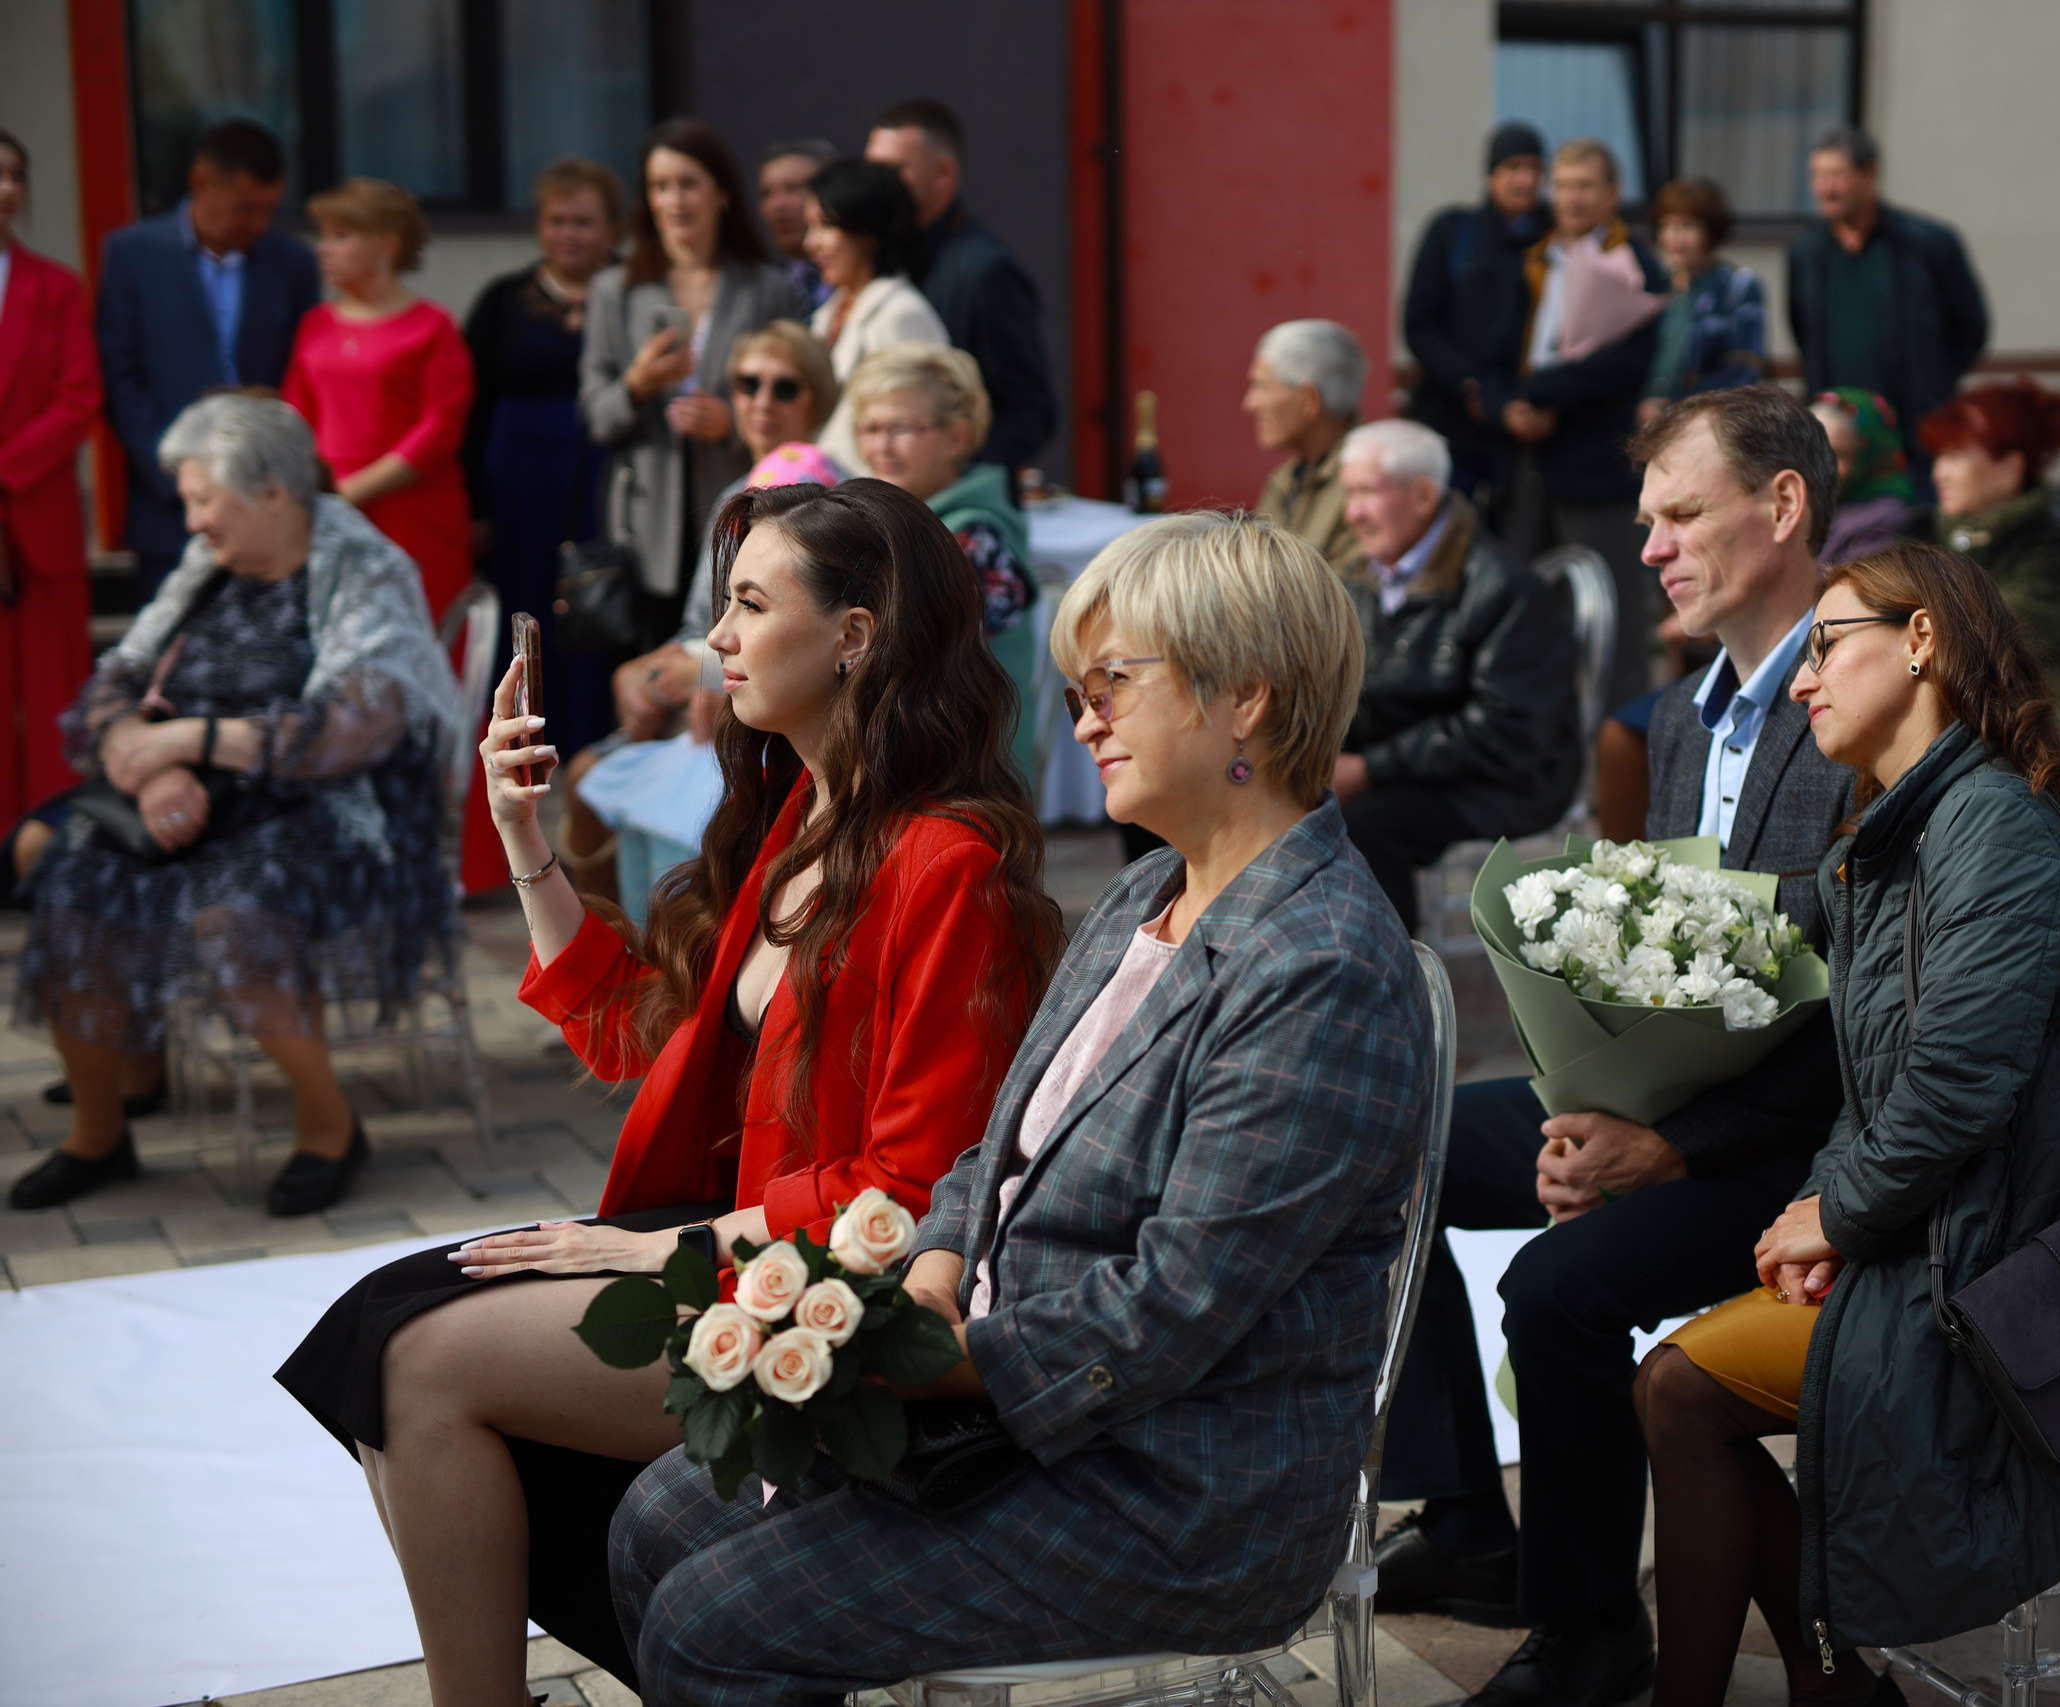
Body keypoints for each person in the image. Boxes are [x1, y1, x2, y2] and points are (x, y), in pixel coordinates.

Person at [607, 509, 1433, 1703]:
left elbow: (1170, 1309)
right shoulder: (1146, 893)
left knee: (712, 1624)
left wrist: (919, 1362)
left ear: (1246, 700)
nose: (1083, 721)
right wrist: (934, 1270)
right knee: (656, 1520)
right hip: (1028, 1418)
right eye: (1078, 691)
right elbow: (991, 1149)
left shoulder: (1318, 964)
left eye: (1112, 685)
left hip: (1175, 1494)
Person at [276, 478, 1063, 1700]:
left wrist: (668, 1249)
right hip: (751, 1243)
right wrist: (524, 838)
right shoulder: (806, 812)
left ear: (854, 636)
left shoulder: (944, 862)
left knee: (412, 1362)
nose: (718, 638)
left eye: (750, 604)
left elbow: (915, 1194)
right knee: (374, 1330)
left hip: (845, 1296)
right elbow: (650, 1034)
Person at [1376, 387, 1855, 1707]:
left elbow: (1870, 1017)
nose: (1650, 547)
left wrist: (1665, 1146)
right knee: (1389, 1147)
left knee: (1556, 1286)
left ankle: (1588, 1625)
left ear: (1783, 505)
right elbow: (1668, 961)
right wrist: (1592, 1099)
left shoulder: (1856, 700)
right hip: (1678, 1102)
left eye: (1681, 515)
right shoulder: (1680, 715)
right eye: (1647, 519)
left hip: (1804, 1148)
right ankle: (1467, 1519)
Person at [1636, 539, 2060, 1707]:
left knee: (1677, 1389)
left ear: (1920, 640)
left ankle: (1811, 1687)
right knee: (1677, 1386)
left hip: (2015, 1265)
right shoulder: (1895, 835)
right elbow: (1871, 1089)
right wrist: (1826, 1216)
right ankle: (1835, 1687)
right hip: (1939, 1229)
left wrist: (1838, 1215)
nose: (1800, 681)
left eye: (1824, 647)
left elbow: (1957, 1089)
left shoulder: (1990, 826)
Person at [9, 396, 454, 1218]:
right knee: (70, 879)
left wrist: (189, 742)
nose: (192, 522)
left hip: (334, 806)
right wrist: (146, 763)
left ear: (274, 492)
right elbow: (115, 677)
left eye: (204, 500)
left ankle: (329, 1127)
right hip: (197, 793)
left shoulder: (365, 569)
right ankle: (99, 1133)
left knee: (234, 911)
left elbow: (351, 731)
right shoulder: (206, 565)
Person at [562, 322, 845, 909]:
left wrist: (696, 674)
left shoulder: (832, 497)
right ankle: (621, 944)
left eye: (784, 387)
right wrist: (640, 673)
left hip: (769, 714)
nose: (762, 402)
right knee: (585, 779)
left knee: (610, 788)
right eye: (748, 384)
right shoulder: (736, 494)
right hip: (711, 691)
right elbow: (702, 625)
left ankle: (648, 944)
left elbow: (809, 633)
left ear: (817, 399)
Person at [1331, 418, 1578, 932]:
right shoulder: (1363, 575)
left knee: (1364, 823)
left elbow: (1505, 732)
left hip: (1504, 780)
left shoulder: (1504, 588)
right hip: (1410, 762)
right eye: (1348, 493)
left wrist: (1367, 769)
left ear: (1423, 496)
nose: (1352, 512)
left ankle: (1392, 970)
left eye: (1366, 492)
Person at [581, 118, 803, 639]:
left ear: (722, 193)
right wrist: (636, 384)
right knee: (654, 665)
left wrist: (732, 424)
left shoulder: (767, 288)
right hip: (642, 522)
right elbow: (594, 416)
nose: (674, 200)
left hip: (740, 501)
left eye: (688, 184)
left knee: (738, 646)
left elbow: (802, 399)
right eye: (660, 186)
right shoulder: (615, 290)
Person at [95, 119, 320, 599]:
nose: (258, 223)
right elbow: (120, 376)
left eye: (269, 209)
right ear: (200, 182)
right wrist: (180, 476)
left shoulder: (294, 263)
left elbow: (305, 373)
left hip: (265, 506)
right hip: (167, 507)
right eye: (245, 208)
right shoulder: (132, 255)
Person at [462, 156, 625, 760]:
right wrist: (477, 507)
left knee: (596, 602)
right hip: (520, 490)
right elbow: (473, 406)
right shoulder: (504, 299)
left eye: (584, 222)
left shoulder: (632, 294)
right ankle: (522, 742)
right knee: (526, 605)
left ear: (612, 228)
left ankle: (592, 746)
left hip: (600, 482)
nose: (569, 234)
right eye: (557, 221)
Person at [1498, 137, 1669, 710]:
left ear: (1613, 194)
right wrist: (1508, 406)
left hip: (1598, 465)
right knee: (1530, 604)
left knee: (1610, 619)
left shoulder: (1634, 262)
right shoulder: (1532, 256)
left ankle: (1617, 739)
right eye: (1563, 185)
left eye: (1586, 186)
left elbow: (1629, 360)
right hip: (1526, 460)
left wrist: (1542, 393)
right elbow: (1499, 343)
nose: (1571, 197)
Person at [282, 179, 475, 620]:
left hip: (411, 512)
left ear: (387, 243)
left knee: (421, 628)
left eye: (341, 235)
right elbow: (294, 416)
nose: (323, 249)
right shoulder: (315, 323)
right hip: (330, 509)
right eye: (323, 235)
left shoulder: (432, 326)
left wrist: (352, 490)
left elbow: (439, 429)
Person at [851, 344, 1040, 783]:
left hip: (968, 785)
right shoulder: (900, 522)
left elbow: (901, 660)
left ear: (957, 436)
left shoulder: (976, 538)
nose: (882, 446)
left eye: (902, 428)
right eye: (870, 428)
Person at [865, 100, 1059, 478]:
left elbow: (1030, 411)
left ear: (944, 173)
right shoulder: (890, 254)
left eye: (892, 171)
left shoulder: (985, 271)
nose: (876, 186)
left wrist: (950, 471)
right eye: (872, 170)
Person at [0, 126, 105, 825]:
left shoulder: (56, 286)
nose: (7, 188)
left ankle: (47, 847)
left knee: (50, 696)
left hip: (36, 510)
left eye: (15, 174)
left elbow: (78, 396)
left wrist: (5, 472)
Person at [1785, 126, 1988, 476]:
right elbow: (1802, 330)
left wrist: (1933, 383)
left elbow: (1971, 329)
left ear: (1869, 174)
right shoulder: (1806, 252)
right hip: (1837, 438)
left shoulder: (1926, 244)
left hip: (1913, 434)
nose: (1825, 188)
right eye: (1816, 176)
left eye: (1836, 175)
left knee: (1915, 512)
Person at [1404, 124, 1551, 514]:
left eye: (1535, 168)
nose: (1525, 180)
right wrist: (1472, 386)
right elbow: (1419, 323)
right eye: (1513, 168)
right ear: (1491, 176)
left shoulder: (1556, 240)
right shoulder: (1453, 233)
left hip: (1532, 430)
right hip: (1451, 423)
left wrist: (1533, 400)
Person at [1916, 378, 2060, 694]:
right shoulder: (1919, 530)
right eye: (1938, 457)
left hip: (2013, 712)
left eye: (1954, 456)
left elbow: (1998, 642)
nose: (1938, 473)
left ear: (2010, 467)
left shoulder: (2050, 549)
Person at [802, 157, 946, 477]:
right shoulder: (831, 312)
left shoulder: (900, 314)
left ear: (867, 230)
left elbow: (919, 440)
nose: (810, 243)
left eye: (825, 225)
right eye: (809, 227)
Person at [1247, 318, 1366, 577]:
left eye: (1261, 386)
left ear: (1309, 399)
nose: (1250, 403)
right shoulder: (1284, 480)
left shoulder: (1368, 484)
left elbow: (1343, 593)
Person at [1641, 177, 1764, 418]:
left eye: (1687, 226)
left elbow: (1743, 373)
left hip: (1708, 420)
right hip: (1646, 420)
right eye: (1666, 226)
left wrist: (1675, 409)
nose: (1675, 238)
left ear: (1710, 231)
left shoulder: (1738, 287)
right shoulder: (1654, 286)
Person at [1809, 388, 1918, 565]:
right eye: (1811, 449)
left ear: (1868, 457)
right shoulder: (1799, 505)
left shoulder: (1882, 522)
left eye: (1839, 454)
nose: (1820, 464)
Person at [755, 137, 836, 311]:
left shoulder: (863, 287)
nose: (778, 205)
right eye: (766, 193)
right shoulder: (756, 291)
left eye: (792, 188)